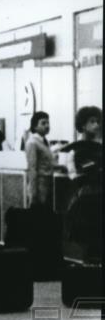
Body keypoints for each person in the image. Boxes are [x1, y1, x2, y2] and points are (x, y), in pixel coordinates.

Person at [60, 105, 102, 263]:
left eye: (98, 121)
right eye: (92, 121)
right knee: (88, 241)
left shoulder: (99, 148)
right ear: (83, 125)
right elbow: (74, 176)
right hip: (85, 198)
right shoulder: (74, 149)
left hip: (97, 196)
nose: (96, 125)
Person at [25, 110, 53, 207]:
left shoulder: (45, 142)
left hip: (48, 184)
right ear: (35, 126)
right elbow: (32, 169)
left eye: (48, 123)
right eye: (43, 123)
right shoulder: (32, 143)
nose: (47, 126)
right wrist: (33, 193)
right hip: (39, 186)